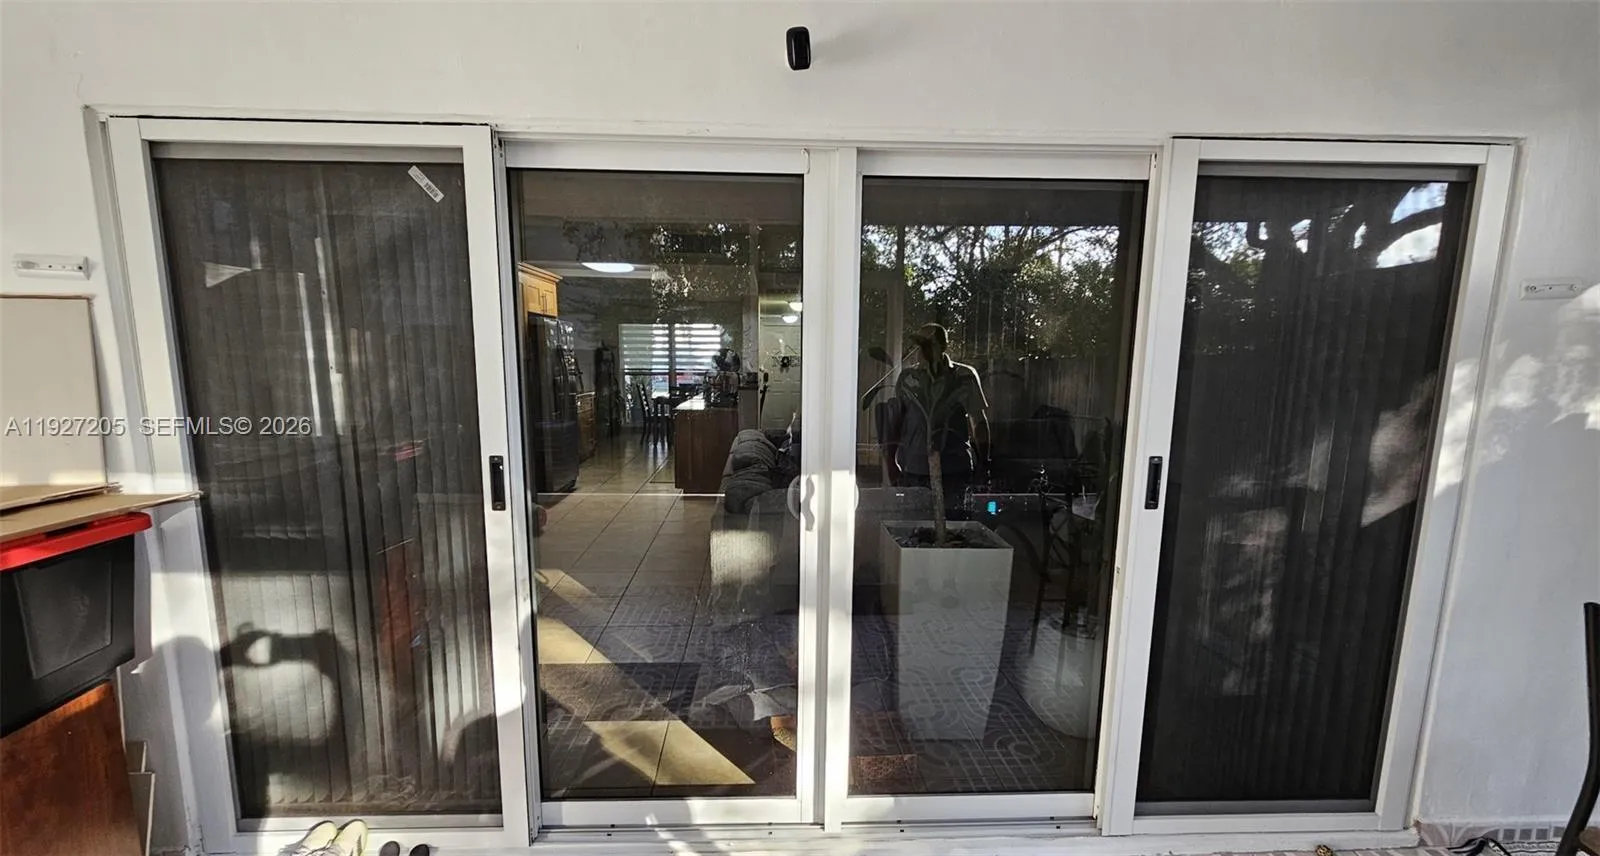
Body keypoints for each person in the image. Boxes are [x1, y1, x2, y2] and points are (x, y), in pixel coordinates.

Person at [884, 323, 991, 509]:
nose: (923, 350)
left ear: (943, 346)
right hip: (916, 468)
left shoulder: (964, 377)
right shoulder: (908, 378)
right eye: (920, 345)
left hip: (954, 469)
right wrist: (890, 461)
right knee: (917, 521)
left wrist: (984, 462)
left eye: (929, 344)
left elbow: (978, 421)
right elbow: (897, 421)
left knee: (954, 521)